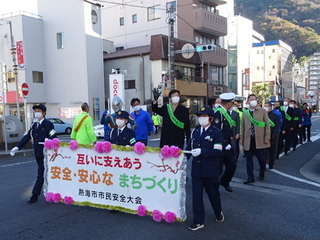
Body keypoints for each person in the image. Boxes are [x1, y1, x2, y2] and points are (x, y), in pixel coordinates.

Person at [186, 106, 224, 231]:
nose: (201, 118)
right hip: (196, 170)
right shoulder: (194, 132)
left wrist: (202, 151)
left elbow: (218, 151)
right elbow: (189, 149)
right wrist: (178, 158)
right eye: (200, 116)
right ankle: (198, 221)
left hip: (210, 170)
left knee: (213, 194)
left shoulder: (216, 132)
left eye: (204, 116)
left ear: (211, 118)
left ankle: (218, 212)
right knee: (196, 196)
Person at [10, 104, 57, 203]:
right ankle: (52, 190)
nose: (37, 113)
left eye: (39, 111)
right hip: (37, 153)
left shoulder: (48, 124)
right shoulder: (34, 124)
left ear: (44, 113)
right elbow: (27, 136)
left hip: (46, 154)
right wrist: (17, 147)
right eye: (36, 111)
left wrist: (49, 141)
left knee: (41, 174)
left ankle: (35, 195)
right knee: (45, 173)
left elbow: (53, 136)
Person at [241, 94, 270, 184]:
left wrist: (267, 137)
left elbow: (267, 125)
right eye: (251, 99)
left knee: (261, 160)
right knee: (249, 161)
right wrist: (241, 141)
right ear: (248, 101)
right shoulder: (245, 113)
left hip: (260, 139)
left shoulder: (262, 111)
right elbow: (243, 128)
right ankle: (250, 177)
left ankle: (262, 171)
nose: (253, 101)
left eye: (254, 99)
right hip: (248, 140)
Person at [212, 92, 237, 193]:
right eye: (232, 102)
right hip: (220, 145)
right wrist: (224, 142)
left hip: (227, 144)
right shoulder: (218, 113)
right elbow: (217, 130)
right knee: (218, 168)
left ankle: (225, 181)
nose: (232, 104)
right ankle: (213, 186)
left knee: (232, 165)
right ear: (228, 103)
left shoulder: (225, 112)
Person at [264, 102, 280, 169]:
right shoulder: (262, 115)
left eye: (267, 106)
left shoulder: (275, 116)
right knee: (264, 152)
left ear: (270, 107)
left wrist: (274, 135)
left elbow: (277, 127)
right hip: (263, 137)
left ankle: (271, 164)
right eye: (264, 106)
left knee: (271, 152)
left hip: (272, 137)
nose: (265, 108)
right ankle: (263, 165)